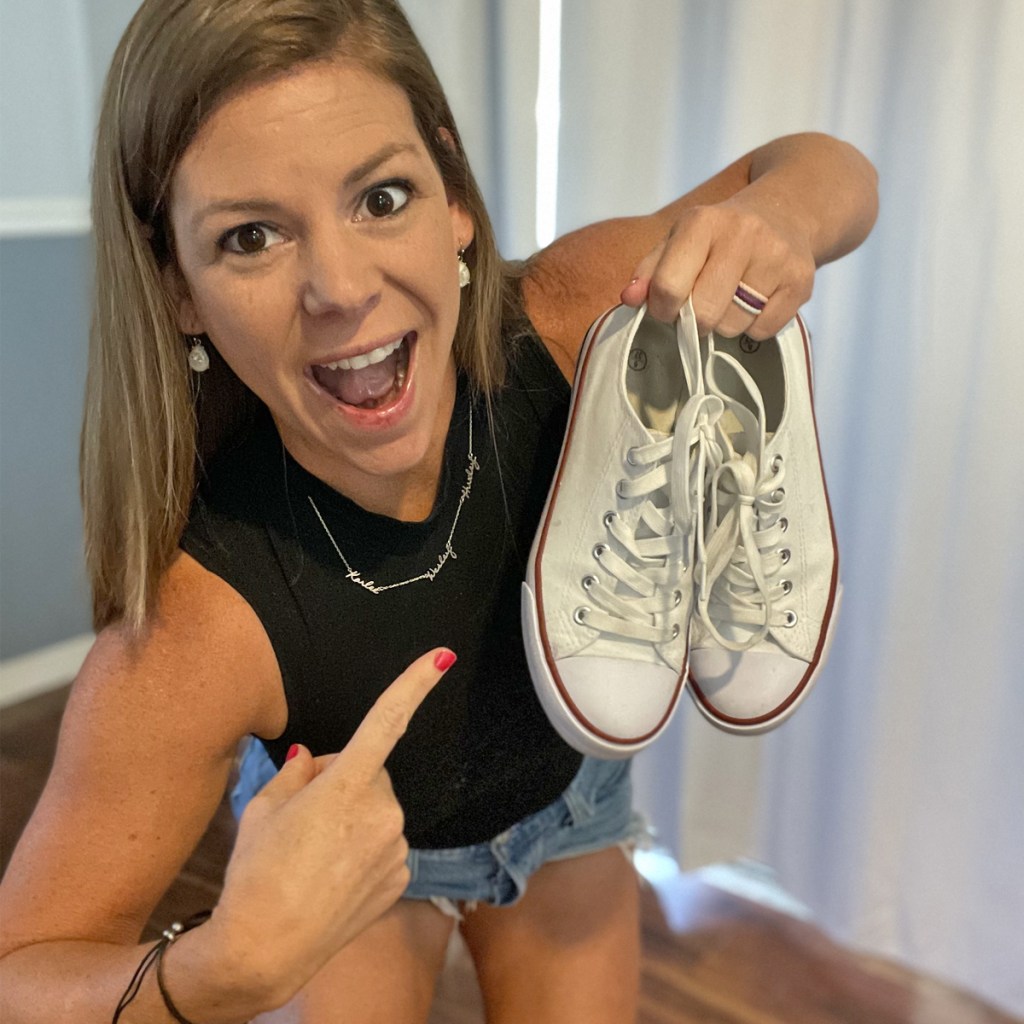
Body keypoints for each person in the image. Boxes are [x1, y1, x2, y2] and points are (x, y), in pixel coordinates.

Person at [0, 1, 878, 1021]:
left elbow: (821, 167)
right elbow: (19, 973)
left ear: (453, 197)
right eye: (249, 236)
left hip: (567, 800)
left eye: (381, 196)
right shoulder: (192, 637)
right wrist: (217, 970)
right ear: (180, 289)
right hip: (354, 842)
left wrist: (782, 225)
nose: (339, 286)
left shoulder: (574, 324)